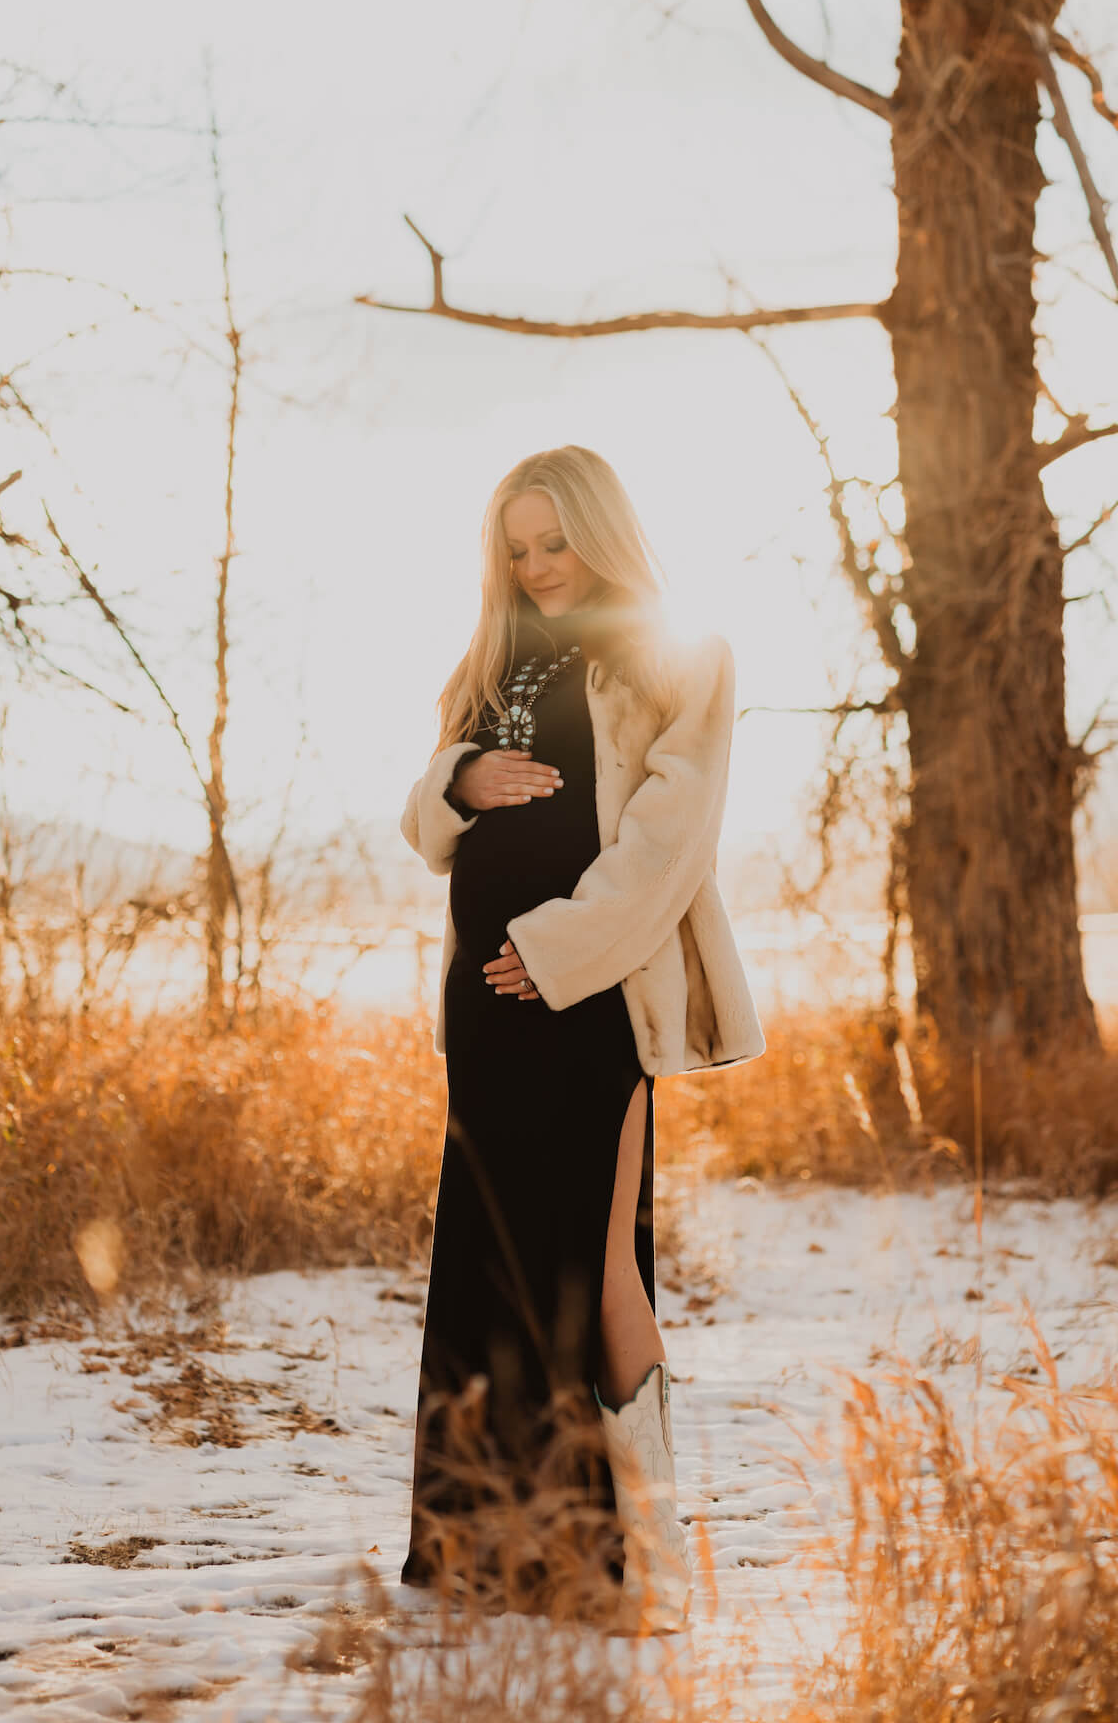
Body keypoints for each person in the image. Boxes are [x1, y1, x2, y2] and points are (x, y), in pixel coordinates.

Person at [397, 444, 766, 1633]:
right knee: (485, 1264)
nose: (538, 566)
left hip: (590, 997)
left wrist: (555, 948)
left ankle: (630, 1557)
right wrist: (460, 779)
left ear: (601, 533)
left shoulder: (679, 655)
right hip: (486, 1009)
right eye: (517, 549)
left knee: (596, 1264)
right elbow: (422, 822)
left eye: (555, 541)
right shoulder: (492, 660)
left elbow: (669, 843)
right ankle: (480, 1550)